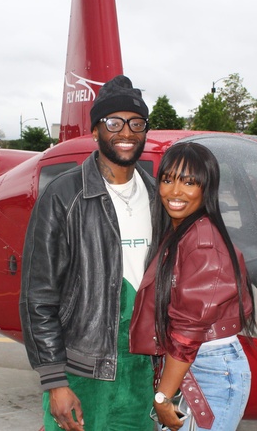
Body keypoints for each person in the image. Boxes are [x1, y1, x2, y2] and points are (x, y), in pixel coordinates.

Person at [20, 75, 156, 431]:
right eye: (114, 123)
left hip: (142, 370)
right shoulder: (64, 196)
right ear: (96, 131)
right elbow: (38, 295)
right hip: (81, 369)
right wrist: (55, 381)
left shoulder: (158, 197)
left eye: (136, 123)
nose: (126, 132)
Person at [130, 142, 255, 431]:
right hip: (196, 365)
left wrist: (162, 397)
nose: (175, 191)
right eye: (168, 179)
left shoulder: (202, 242)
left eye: (189, 182)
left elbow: (188, 333)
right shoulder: (181, 233)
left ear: (206, 188)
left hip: (208, 368)